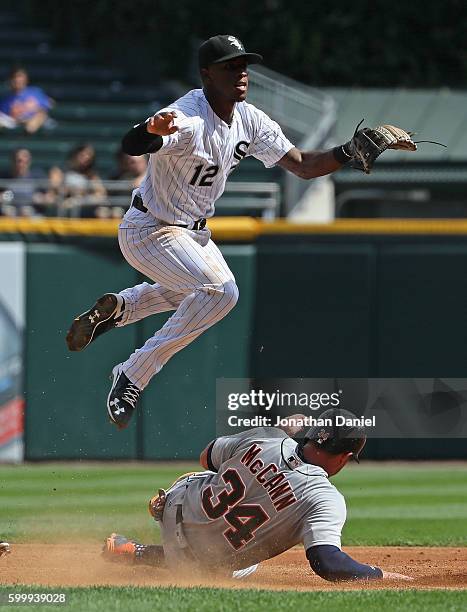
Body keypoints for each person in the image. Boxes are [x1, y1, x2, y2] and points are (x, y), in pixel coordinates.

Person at [65, 34, 402, 430]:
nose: (241, 73)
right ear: (207, 74)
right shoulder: (188, 117)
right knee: (222, 293)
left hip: (192, 235)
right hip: (150, 230)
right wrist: (149, 131)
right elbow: (133, 143)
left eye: (244, 65)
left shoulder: (250, 119)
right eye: (230, 66)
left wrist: (347, 151)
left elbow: (303, 165)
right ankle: (132, 374)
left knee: (198, 294)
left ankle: (122, 309)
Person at [102, 409, 412, 582]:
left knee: (216, 473)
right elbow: (328, 563)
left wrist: (276, 430)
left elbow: (206, 456)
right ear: (345, 458)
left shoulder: (268, 436)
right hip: (198, 563)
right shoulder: (324, 498)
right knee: (244, 563)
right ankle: (140, 552)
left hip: (179, 505)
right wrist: (379, 573)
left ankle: (148, 532)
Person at [0, 67, 53, 134]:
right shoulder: (6, 98)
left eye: (20, 77)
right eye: (15, 77)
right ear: (11, 80)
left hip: (33, 123)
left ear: (26, 79)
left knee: (40, 116)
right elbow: (4, 116)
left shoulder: (35, 92)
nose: (18, 80)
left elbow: (48, 105)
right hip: (13, 124)